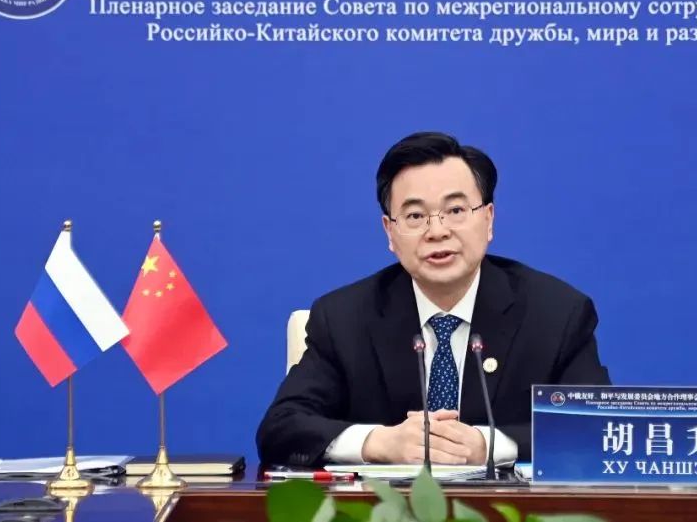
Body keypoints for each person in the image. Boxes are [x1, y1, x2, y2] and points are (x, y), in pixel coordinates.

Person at [256, 132, 610, 467]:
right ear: (390, 232)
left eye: (455, 211)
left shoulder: (556, 314)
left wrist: (488, 446)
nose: (437, 231)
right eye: (415, 216)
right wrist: (379, 442)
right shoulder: (343, 318)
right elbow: (280, 429)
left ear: (488, 219)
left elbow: (598, 430)